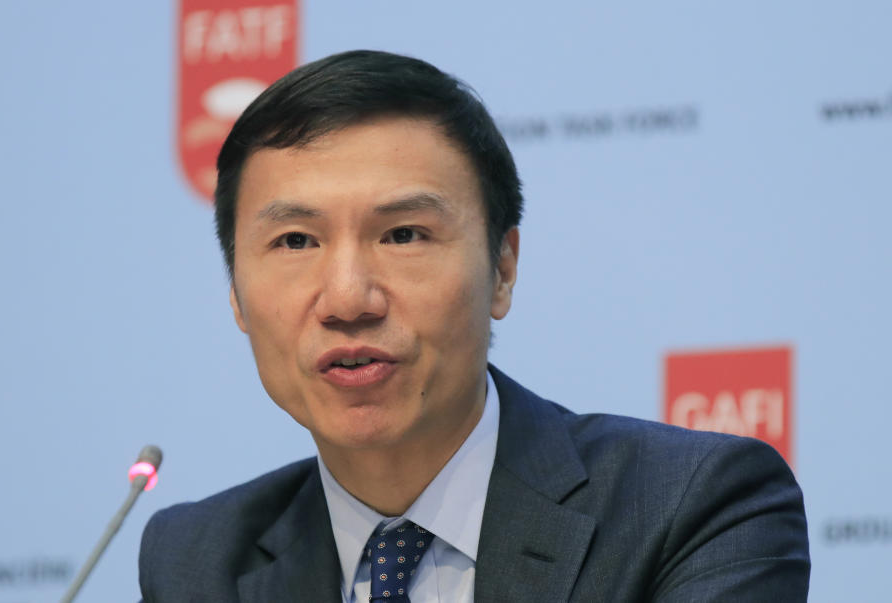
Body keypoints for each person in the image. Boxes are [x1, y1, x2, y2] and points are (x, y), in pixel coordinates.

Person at [138, 50, 810, 602]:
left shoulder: (691, 509)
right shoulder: (198, 563)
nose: (347, 298)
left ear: (502, 270)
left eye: (402, 233)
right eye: (294, 241)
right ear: (235, 293)